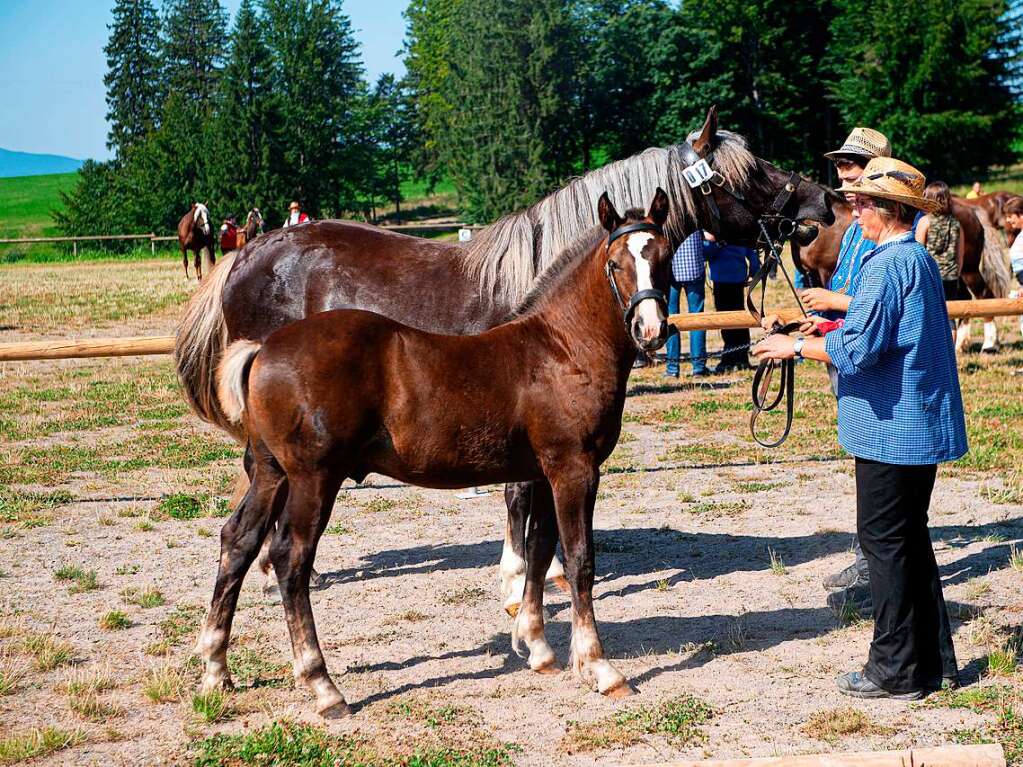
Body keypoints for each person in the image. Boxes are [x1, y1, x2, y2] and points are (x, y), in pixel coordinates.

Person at [754, 157, 965, 699]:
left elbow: (860, 348)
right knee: (909, 543)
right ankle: (935, 663)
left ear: (884, 209)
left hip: (893, 428)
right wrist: (822, 322)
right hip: (914, 426)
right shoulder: (912, 259)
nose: (853, 211)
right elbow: (879, 326)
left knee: (884, 545)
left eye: (861, 203)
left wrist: (793, 346)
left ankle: (894, 673)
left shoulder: (886, 263)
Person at [799, 127, 892, 615]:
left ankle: (876, 561)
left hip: (872, 358)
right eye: (840, 166)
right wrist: (817, 321)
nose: (843, 175)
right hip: (846, 345)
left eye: (852, 165)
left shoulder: (893, 231)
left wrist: (832, 305)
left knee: (878, 459)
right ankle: (871, 556)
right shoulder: (856, 229)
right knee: (862, 450)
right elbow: (854, 298)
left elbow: (883, 305)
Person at [703, 231, 759, 373]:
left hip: (726, 278)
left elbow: (706, 254)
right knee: (737, 319)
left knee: (727, 319)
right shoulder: (737, 233)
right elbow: (751, 252)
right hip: (733, 277)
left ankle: (732, 356)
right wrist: (754, 270)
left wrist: (714, 242)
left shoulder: (720, 234)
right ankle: (739, 356)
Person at [915, 182, 963, 339]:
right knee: (949, 317)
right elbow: (960, 255)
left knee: (929, 315)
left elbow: (918, 252)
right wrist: (956, 273)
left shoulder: (925, 222)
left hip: (930, 276)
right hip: (951, 276)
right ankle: (952, 355)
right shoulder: (956, 223)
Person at [664, 230, 709, 378]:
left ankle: (672, 368)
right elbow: (710, 236)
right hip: (694, 267)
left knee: (670, 319)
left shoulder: (666, 218)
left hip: (671, 272)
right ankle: (698, 367)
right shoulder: (695, 212)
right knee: (697, 318)